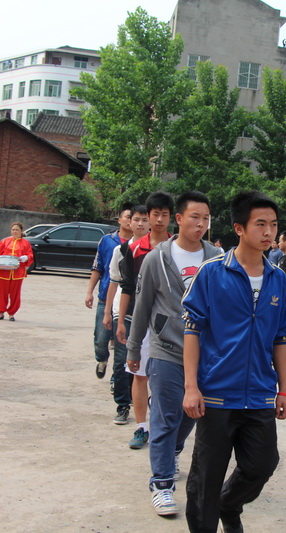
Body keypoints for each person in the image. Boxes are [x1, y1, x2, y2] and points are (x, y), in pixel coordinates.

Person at [182, 191, 286, 533]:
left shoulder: (277, 278)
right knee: (207, 478)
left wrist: (284, 390)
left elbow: (280, 337)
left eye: (273, 225)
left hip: (259, 393)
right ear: (239, 228)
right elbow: (192, 329)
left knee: (262, 464)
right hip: (216, 394)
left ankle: (229, 506)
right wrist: (191, 387)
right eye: (260, 224)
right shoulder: (212, 273)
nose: (269, 232)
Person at [125, 191, 220, 517]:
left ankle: (172, 449)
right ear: (178, 219)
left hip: (205, 354)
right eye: (195, 217)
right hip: (166, 349)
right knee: (165, 418)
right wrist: (134, 348)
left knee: (193, 413)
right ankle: (162, 484)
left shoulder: (217, 258)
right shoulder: (157, 258)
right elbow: (143, 306)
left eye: (206, 218)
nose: (201, 224)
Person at [118, 192, 174, 447]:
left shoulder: (177, 249)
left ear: (172, 218)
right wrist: (121, 320)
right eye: (155, 214)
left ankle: (163, 427)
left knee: (165, 379)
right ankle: (141, 427)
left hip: (170, 326)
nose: (159, 220)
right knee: (139, 375)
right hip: (140, 323)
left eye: (164, 215)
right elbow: (127, 286)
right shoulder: (132, 250)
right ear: (147, 217)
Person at [104, 205, 149, 426]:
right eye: (136, 219)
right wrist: (109, 313)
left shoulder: (158, 251)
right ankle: (122, 404)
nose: (140, 224)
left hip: (150, 313)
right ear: (129, 223)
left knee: (143, 362)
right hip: (124, 311)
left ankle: (142, 400)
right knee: (122, 359)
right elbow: (114, 282)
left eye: (144, 220)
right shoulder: (120, 251)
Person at [86, 206, 132, 379]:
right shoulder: (107, 240)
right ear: (119, 220)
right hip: (107, 297)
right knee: (101, 337)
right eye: (127, 217)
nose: (130, 220)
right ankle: (102, 359)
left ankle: (116, 377)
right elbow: (98, 267)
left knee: (122, 343)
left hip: (127, 302)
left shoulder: (139, 244)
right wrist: (89, 291)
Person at [0, 222, 33, 321]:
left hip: (18, 273)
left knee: (15, 294)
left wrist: (26, 257)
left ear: (21, 231)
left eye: (17, 230)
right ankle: (0, 312)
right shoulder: (5, 241)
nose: (15, 231)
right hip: (4, 271)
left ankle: (11, 313)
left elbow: (30, 255)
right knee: (1, 293)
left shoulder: (26, 244)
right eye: (13, 230)